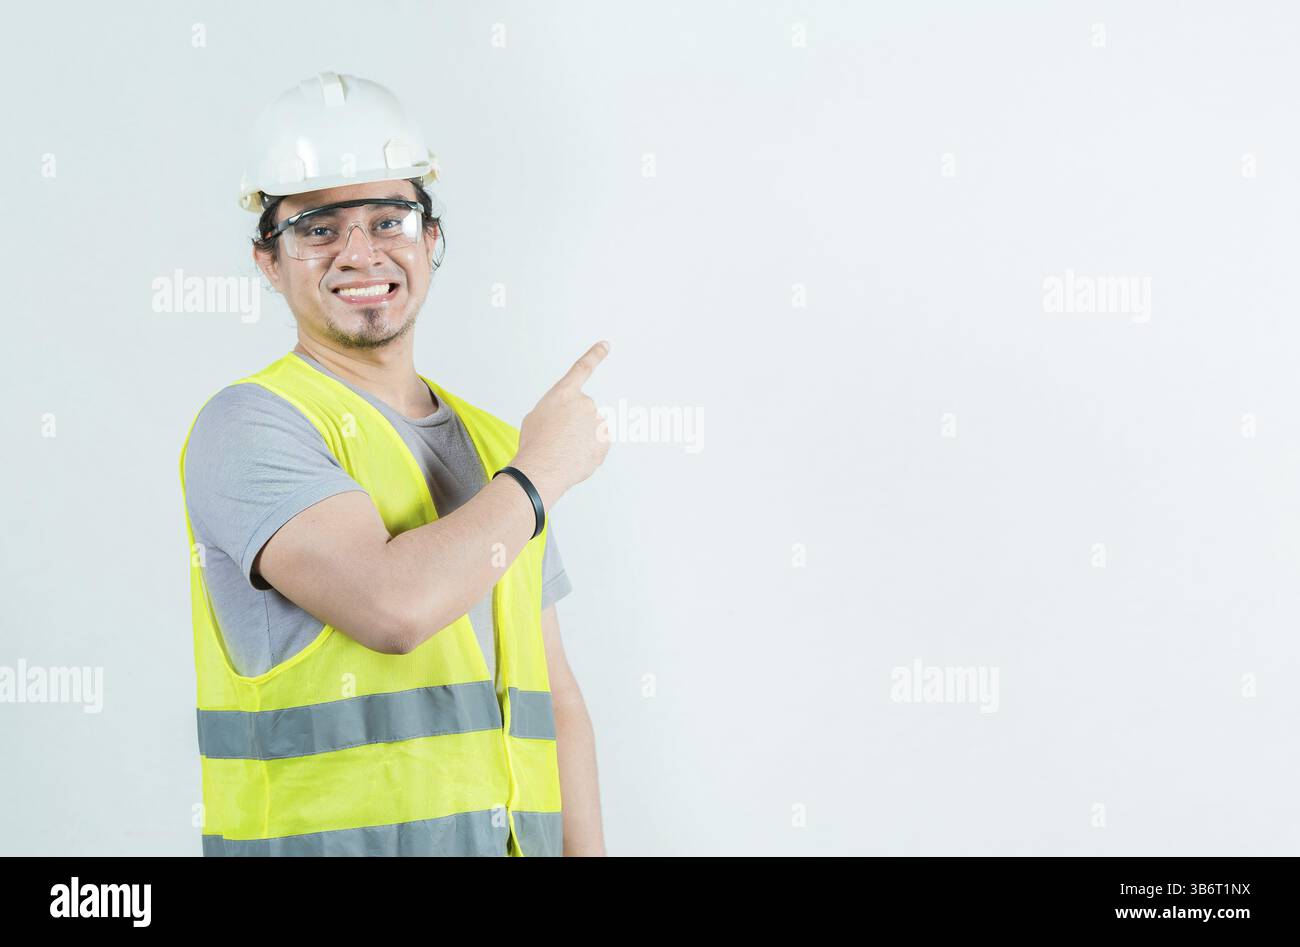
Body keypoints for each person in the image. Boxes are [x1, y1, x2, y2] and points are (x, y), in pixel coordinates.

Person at [178, 71, 611, 856]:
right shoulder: (249, 427)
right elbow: (392, 608)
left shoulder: (494, 446)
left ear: (432, 239)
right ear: (268, 261)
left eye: (389, 220)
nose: (360, 252)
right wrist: (545, 469)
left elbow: (559, 697)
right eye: (317, 228)